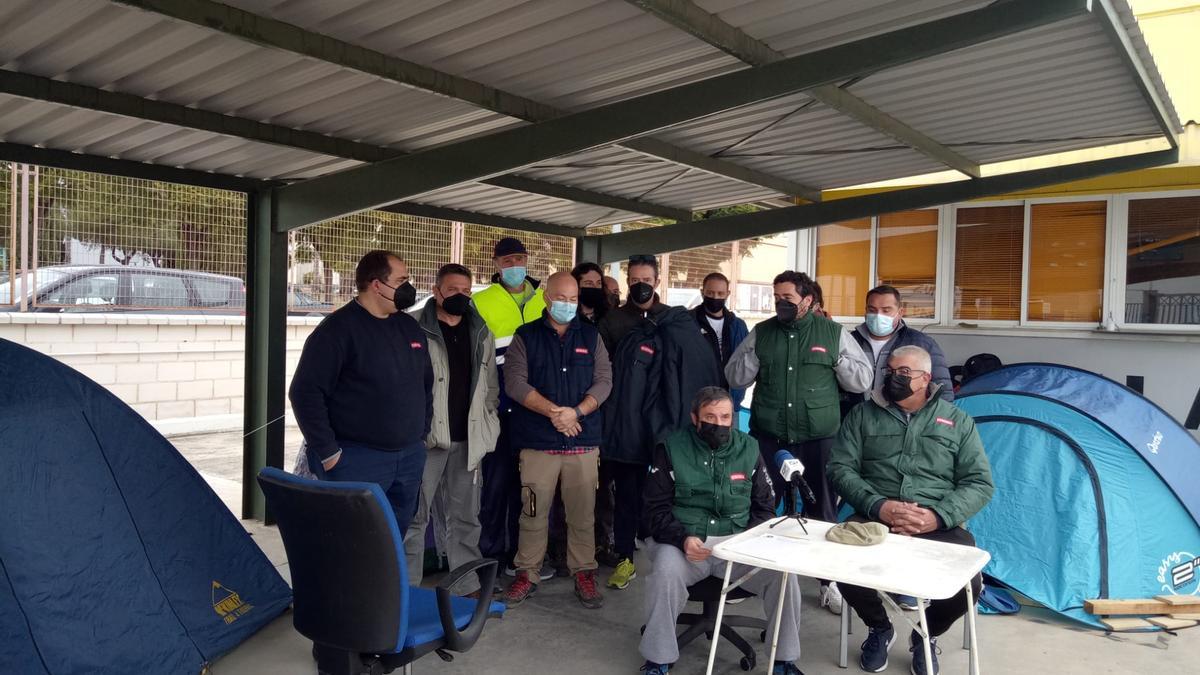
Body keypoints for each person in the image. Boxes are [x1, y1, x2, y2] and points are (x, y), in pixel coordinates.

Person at [827, 345, 993, 675]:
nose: (894, 377)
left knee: (968, 584)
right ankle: (880, 627)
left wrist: (938, 516)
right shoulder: (863, 415)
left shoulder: (957, 421)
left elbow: (980, 483)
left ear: (926, 379)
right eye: (890, 371)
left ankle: (924, 634)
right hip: (876, 517)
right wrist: (878, 505)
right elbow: (839, 468)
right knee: (836, 561)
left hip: (937, 520)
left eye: (904, 373)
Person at [725, 270, 873, 615]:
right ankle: (750, 575)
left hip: (818, 438)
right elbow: (734, 375)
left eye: (788, 298)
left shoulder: (833, 333)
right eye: (776, 297)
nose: (780, 303)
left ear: (808, 300)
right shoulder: (761, 333)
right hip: (769, 437)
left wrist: (836, 360)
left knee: (822, 510)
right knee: (758, 504)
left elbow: (862, 379)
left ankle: (828, 582)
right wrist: (756, 356)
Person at [640, 387, 804, 675]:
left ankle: (784, 661)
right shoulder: (671, 448)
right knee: (665, 572)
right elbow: (655, 510)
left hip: (738, 545)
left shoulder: (749, 448)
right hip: (685, 543)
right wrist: (682, 539)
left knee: (784, 576)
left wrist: (746, 542)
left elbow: (765, 507)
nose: (719, 423)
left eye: (726, 416)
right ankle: (658, 660)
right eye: (710, 417)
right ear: (695, 418)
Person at [289, 250, 432, 533]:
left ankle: (387, 581)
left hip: (408, 459)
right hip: (357, 461)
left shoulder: (409, 327)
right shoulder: (337, 330)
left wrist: (421, 437)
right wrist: (330, 454)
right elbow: (305, 393)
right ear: (376, 284)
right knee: (350, 545)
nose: (409, 287)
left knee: (392, 543)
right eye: (401, 280)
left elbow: (425, 386)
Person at [502, 272, 612, 609]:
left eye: (573, 298)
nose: (567, 304)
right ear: (547, 298)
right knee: (532, 512)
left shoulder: (592, 336)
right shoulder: (525, 336)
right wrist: (555, 413)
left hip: (582, 442)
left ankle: (583, 573)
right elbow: (515, 384)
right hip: (538, 444)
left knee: (582, 514)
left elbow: (604, 382)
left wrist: (576, 413)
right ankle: (527, 573)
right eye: (561, 298)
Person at [402, 264, 499, 596]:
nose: (461, 295)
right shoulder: (413, 327)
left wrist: (489, 423)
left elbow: (490, 387)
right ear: (437, 289)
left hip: (468, 441)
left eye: (467, 290)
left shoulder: (481, 330)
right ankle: (406, 589)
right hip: (427, 441)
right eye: (454, 289)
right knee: (415, 518)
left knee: (466, 517)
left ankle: (465, 585)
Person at [472, 237, 552, 581]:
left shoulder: (545, 299)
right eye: (507, 260)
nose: (515, 265)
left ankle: (527, 558)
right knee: (496, 485)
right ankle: (492, 558)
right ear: (496, 264)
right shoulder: (481, 301)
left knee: (531, 489)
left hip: (537, 409)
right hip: (499, 407)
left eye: (520, 258)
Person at [597, 254, 670, 591]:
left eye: (647, 279)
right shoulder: (612, 321)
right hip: (619, 424)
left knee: (656, 495)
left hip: (658, 427)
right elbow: (601, 374)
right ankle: (624, 557)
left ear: (656, 281)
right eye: (635, 279)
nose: (641, 285)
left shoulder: (669, 320)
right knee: (624, 495)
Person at [573, 261, 619, 567]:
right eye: (585, 283)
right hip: (570, 417)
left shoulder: (609, 322)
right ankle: (565, 550)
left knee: (603, 489)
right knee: (572, 490)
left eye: (596, 283)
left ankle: (603, 543)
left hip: (604, 415)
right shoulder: (564, 320)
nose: (591, 288)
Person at [852, 285, 953, 402]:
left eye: (886, 310)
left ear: (900, 313)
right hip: (856, 417)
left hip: (901, 418)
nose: (878, 316)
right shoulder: (850, 341)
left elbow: (943, 391)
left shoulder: (921, 343)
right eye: (872, 310)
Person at [694, 272, 749, 409]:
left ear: (728, 294)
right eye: (710, 293)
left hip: (730, 403)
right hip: (698, 403)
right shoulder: (689, 323)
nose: (715, 297)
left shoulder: (738, 326)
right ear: (702, 292)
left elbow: (746, 361)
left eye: (720, 293)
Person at [573, 261, 610, 325]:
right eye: (589, 283)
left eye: (599, 283)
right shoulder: (570, 317)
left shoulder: (609, 316)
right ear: (577, 287)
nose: (595, 287)